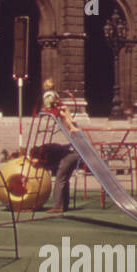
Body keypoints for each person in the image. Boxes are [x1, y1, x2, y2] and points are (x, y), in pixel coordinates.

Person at [35, 79, 81, 212]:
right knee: (64, 179)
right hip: (72, 152)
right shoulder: (51, 94)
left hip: (68, 154)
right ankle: (63, 205)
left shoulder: (49, 95)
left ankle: (58, 206)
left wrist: (58, 105)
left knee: (60, 179)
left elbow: (50, 104)